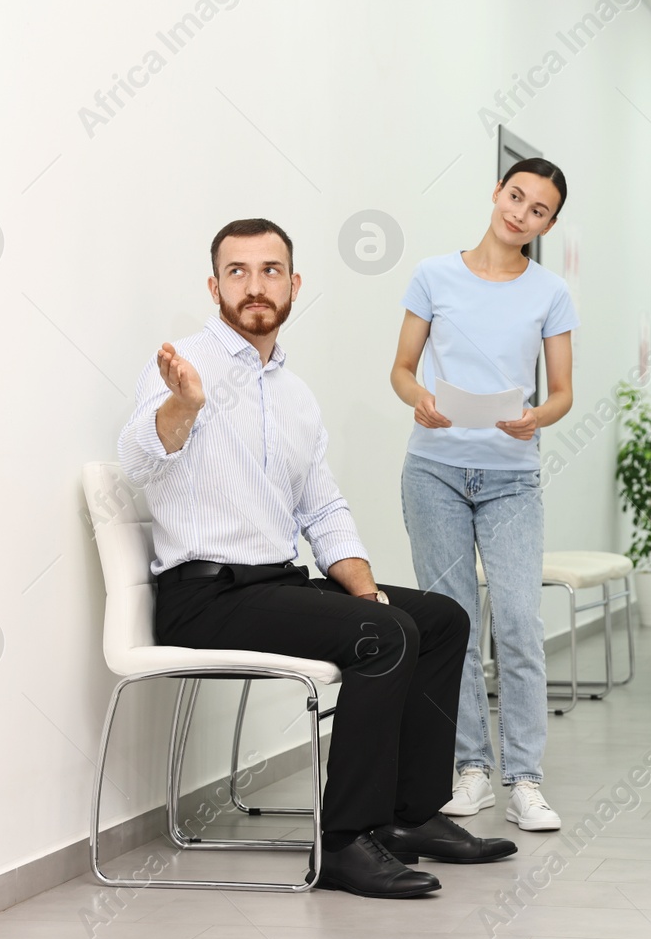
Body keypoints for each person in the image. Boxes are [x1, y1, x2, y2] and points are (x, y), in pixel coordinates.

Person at [119, 218, 516, 900]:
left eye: (270, 270)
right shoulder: (184, 365)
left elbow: (324, 511)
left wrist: (363, 587)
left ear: (294, 284)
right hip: (203, 598)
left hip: (275, 585)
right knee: (385, 636)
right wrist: (182, 408)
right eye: (237, 272)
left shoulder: (296, 396)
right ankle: (345, 843)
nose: (254, 286)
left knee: (443, 618)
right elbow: (140, 455)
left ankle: (410, 815)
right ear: (214, 286)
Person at [391, 158, 577, 833]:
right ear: (497, 193)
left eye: (537, 210)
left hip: (510, 477)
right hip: (434, 470)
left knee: (522, 622)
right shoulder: (433, 276)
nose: (520, 213)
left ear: (548, 225)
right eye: (516, 196)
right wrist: (420, 400)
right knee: (454, 626)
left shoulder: (550, 292)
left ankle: (524, 778)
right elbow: (402, 370)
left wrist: (538, 418)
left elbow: (561, 392)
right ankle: (471, 768)